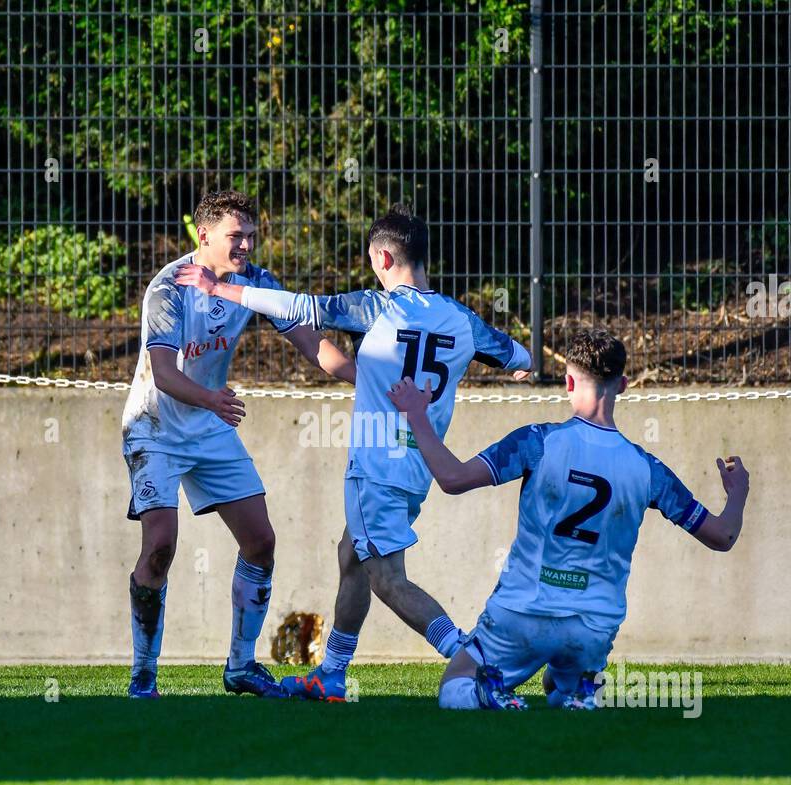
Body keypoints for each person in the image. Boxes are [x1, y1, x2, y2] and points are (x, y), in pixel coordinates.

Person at [176, 204, 531, 701]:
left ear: (384, 259)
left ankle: (477, 661)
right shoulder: (463, 320)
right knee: (351, 556)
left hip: (374, 468)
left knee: (386, 578)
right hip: (416, 465)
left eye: (371, 261)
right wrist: (519, 364)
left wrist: (219, 289)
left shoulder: (378, 307)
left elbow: (297, 307)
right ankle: (333, 673)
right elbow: (519, 356)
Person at [386, 328, 751, 710]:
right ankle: (579, 691)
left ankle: (485, 692)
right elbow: (722, 536)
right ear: (623, 385)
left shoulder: (537, 441)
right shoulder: (648, 469)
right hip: (592, 626)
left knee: (455, 683)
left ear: (568, 381)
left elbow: (453, 478)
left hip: (523, 612)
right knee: (562, 677)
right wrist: (738, 493)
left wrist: (416, 415)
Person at [122, 190, 355, 698]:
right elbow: (162, 373)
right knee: (160, 545)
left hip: (208, 424)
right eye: (236, 235)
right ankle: (143, 674)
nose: (246, 244)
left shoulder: (256, 282)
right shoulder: (168, 289)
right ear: (203, 236)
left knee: (261, 541)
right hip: (154, 427)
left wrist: (365, 379)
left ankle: (240, 666)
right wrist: (210, 399)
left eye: (251, 235)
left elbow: (312, 342)